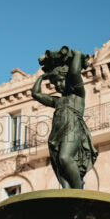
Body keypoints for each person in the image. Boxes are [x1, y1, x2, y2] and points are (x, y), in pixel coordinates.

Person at [31, 46, 98, 189]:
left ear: (68, 80)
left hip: (73, 129)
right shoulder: (58, 101)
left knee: (64, 158)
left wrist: (77, 55)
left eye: (61, 81)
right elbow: (35, 94)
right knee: (62, 175)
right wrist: (42, 77)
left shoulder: (78, 94)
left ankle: (79, 191)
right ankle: (69, 198)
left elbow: (74, 72)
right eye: (55, 84)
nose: (59, 86)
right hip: (56, 136)